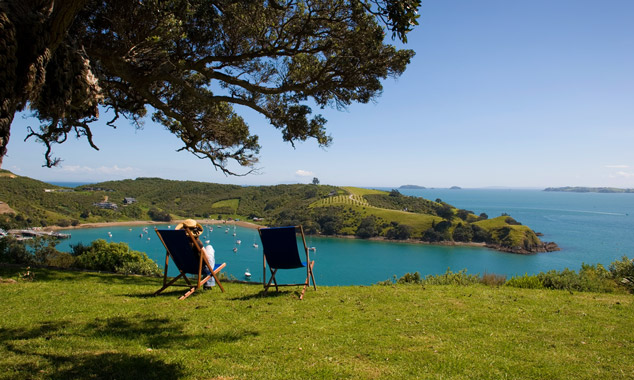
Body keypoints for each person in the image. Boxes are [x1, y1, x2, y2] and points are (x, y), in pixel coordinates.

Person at [175, 219, 216, 288]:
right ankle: (208, 284)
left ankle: (208, 284)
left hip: (185, 266)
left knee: (207, 249)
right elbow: (207, 259)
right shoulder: (197, 243)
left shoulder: (179, 243)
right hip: (201, 268)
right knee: (209, 247)